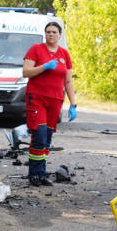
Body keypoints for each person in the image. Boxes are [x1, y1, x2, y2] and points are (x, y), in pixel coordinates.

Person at [21, 21, 77, 187]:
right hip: (36, 98)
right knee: (39, 135)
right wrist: (44, 67)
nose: (51, 34)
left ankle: (42, 174)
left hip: (55, 100)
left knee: (47, 139)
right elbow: (25, 72)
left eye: (54, 32)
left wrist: (73, 104)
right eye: (48, 32)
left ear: (60, 35)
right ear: (45, 34)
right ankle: (34, 175)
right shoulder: (36, 49)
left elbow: (68, 80)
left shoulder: (64, 54)